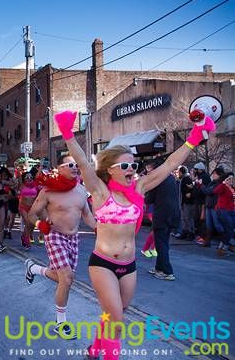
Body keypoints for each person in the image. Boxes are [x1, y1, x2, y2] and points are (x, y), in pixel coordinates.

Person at [52, 109, 215, 359]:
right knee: (116, 319)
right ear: (111, 170)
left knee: (114, 314)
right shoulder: (100, 192)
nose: (132, 169)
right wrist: (67, 134)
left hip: (129, 266)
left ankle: (96, 348)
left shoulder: (138, 188)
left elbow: (170, 164)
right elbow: (84, 162)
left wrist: (194, 138)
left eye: (134, 165)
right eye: (126, 165)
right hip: (103, 264)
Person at [24, 155, 96, 337]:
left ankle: (33, 269)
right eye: (70, 164)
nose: (75, 167)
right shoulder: (48, 191)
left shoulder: (81, 190)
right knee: (67, 278)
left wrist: (98, 228)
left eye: (77, 165)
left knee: (65, 279)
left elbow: (86, 214)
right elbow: (32, 214)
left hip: (73, 238)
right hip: (54, 235)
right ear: (60, 168)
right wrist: (41, 225)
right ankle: (60, 323)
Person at [145, 158, 181, 281]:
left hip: (162, 215)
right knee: (163, 242)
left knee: (161, 244)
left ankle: (167, 271)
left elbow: (149, 199)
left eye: (150, 169)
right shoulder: (170, 178)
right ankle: (159, 267)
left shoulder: (158, 180)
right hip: (173, 214)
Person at [213, 171, 234, 256]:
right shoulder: (223, 186)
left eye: (232, 178)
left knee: (228, 230)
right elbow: (215, 191)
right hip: (222, 210)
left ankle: (221, 248)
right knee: (229, 230)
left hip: (231, 211)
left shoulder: (232, 188)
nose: (231, 180)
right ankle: (224, 248)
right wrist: (224, 183)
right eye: (229, 178)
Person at [178, 165, 196, 241]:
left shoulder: (187, 179)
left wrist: (189, 193)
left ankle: (191, 233)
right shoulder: (184, 179)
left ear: (181, 172)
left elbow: (191, 188)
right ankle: (185, 232)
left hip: (188, 202)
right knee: (184, 218)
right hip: (183, 201)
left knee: (188, 218)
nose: (178, 174)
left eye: (179, 172)